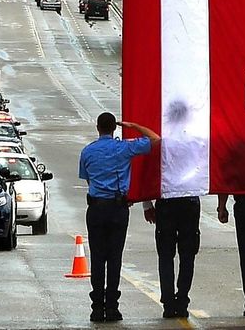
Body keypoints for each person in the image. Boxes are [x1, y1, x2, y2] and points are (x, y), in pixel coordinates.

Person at [80, 112, 160, 323]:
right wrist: (133, 125)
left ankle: (97, 308)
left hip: (96, 208)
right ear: (114, 128)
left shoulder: (88, 151)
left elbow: (88, 180)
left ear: (98, 128)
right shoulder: (124, 147)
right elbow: (155, 140)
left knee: (97, 259)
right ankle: (112, 307)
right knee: (114, 258)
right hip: (118, 208)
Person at [142, 196, 201, 318]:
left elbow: (147, 176)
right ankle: (182, 301)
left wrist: (146, 204)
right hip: (189, 201)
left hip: (166, 203)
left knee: (166, 256)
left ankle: (169, 303)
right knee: (187, 256)